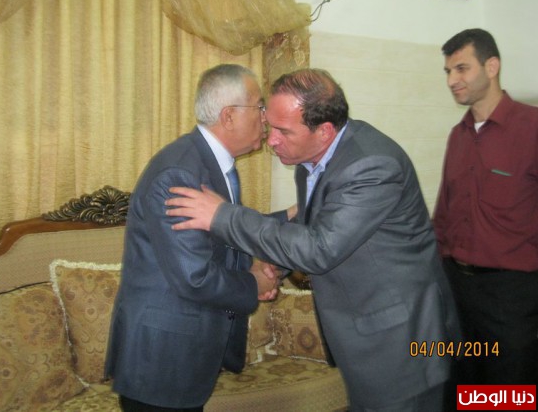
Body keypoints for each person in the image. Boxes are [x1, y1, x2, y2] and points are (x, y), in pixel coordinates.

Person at [166, 68, 460, 412]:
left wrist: (222, 216)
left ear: (324, 131)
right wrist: (275, 266)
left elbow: (320, 248)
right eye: (270, 125)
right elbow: (312, 226)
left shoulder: (372, 166)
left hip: (400, 344)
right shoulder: (312, 160)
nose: (271, 140)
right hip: (366, 337)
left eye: (283, 131)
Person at [104, 64, 279, 412]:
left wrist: (285, 225)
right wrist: (253, 283)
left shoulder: (207, 163)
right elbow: (194, 276)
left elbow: (221, 240)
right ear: (229, 116)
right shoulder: (180, 173)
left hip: (182, 353)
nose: (266, 119)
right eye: (260, 107)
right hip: (162, 362)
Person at [433, 29, 538, 392]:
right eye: (448, 71)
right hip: (457, 288)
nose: (452, 80)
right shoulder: (458, 135)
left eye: (462, 68)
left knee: (508, 393)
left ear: (491, 67)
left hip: (512, 295)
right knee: (462, 387)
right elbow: (444, 215)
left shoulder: (531, 127)